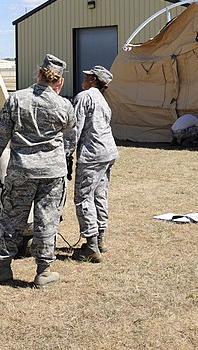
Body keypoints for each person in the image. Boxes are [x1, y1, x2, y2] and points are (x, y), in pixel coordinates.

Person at [0, 54, 75, 289]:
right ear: (59, 81)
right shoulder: (64, 105)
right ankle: (43, 271)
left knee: (11, 219)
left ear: (38, 73)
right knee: (47, 220)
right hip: (52, 173)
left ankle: (2, 268)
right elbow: (69, 130)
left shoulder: (16, 99)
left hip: (22, 171)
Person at [69, 65, 118, 263]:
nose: (85, 78)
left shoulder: (84, 97)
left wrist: (66, 154)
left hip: (92, 155)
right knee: (100, 195)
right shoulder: (102, 100)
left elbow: (75, 129)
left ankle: (90, 246)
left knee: (83, 197)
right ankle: (99, 239)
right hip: (107, 153)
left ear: (94, 80)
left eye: (88, 76)